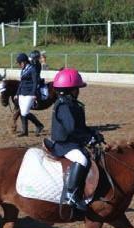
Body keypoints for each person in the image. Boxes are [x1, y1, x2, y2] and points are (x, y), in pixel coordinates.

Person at [48, 68, 103, 211]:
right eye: (77, 89)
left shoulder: (71, 104)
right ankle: (70, 194)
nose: (78, 91)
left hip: (72, 142)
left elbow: (81, 126)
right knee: (82, 159)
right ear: (71, 90)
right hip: (64, 145)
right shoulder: (64, 106)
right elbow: (71, 129)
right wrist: (87, 138)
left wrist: (93, 134)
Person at [15, 53, 44, 137]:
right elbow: (21, 82)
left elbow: (35, 82)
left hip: (29, 93)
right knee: (23, 112)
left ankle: (38, 125)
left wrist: (33, 93)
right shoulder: (23, 70)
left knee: (24, 112)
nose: (19, 65)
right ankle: (26, 131)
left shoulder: (32, 69)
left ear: (23, 62)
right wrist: (17, 93)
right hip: (22, 93)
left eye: (19, 63)